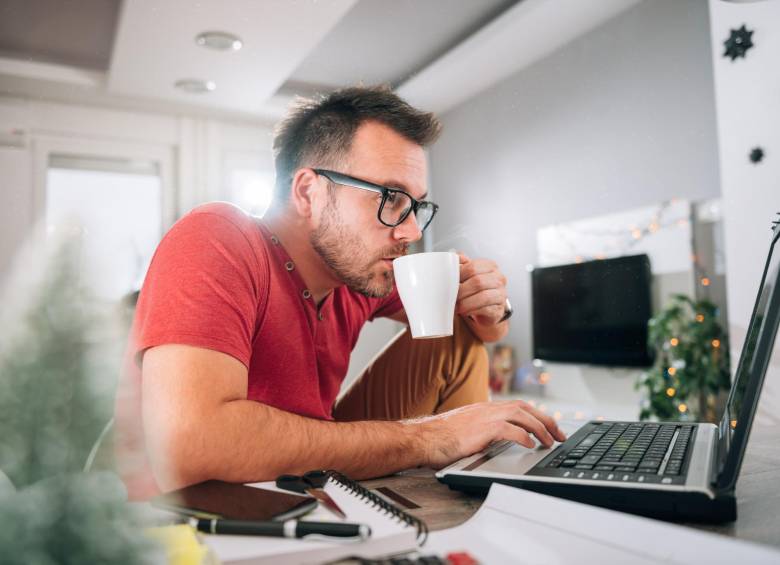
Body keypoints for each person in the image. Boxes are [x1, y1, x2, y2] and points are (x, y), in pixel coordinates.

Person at [115, 86, 566, 500]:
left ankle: (467, 497)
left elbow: (475, 334)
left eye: (417, 205)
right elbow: (190, 452)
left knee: (454, 338)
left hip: (306, 475)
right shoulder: (217, 237)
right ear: (309, 192)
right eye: (390, 197)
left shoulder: (359, 272)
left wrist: (493, 307)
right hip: (197, 513)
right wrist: (434, 436)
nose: (410, 229)